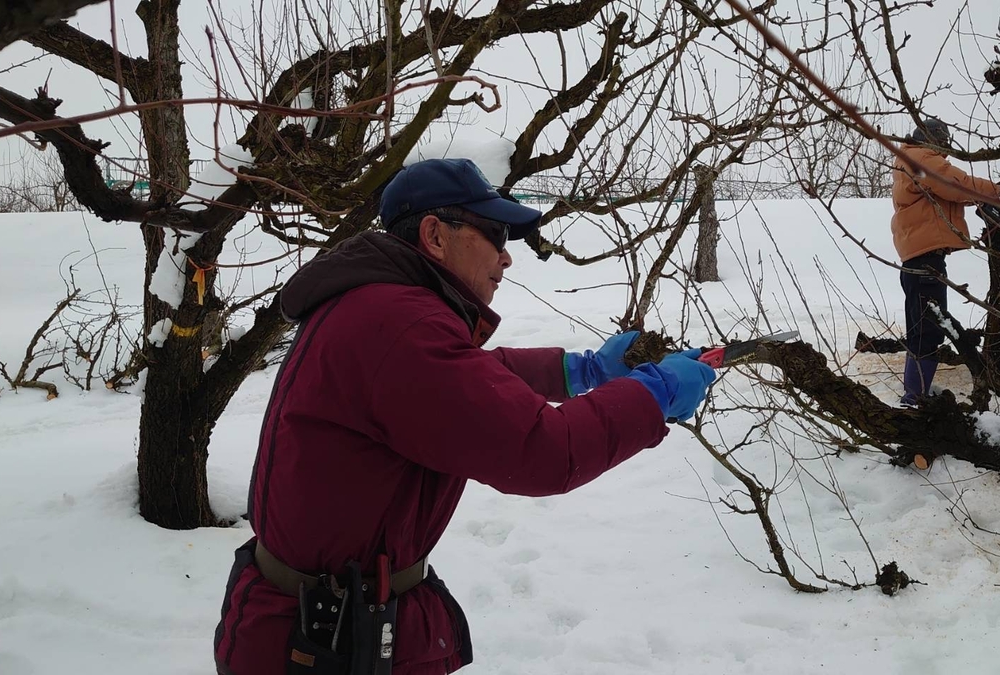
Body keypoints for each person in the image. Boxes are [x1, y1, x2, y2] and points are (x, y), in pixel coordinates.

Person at [213, 157, 717, 675]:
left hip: (320, 625)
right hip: (327, 646)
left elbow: (463, 379)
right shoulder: (400, 325)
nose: (506, 258)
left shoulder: (380, 305)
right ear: (434, 234)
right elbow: (546, 452)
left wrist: (581, 371)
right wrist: (651, 396)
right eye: (495, 235)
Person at [890, 117, 1000, 406]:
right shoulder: (921, 158)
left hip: (918, 257)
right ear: (935, 140)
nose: (947, 148)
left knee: (921, 327)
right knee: (928, 328)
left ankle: (915, 392)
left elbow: (951, 193)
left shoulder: (910, 159)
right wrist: (999, 192)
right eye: (944, 142)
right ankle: (914, 397)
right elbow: (955, 184)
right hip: (926, 259)